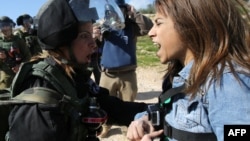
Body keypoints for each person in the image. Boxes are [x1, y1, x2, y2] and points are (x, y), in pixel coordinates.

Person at [5, 0, 148, 141]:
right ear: (62, 43)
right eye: (84, 36)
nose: (93, 44)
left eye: (91, 35)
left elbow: (108, 104)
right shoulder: (40, 100)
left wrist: (152, 112)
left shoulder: (72, 75)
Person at [126, 0, 250, 141]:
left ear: (190, 24)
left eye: (159, 23)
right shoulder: (182, 74)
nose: (151, 32)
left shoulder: (226, 83)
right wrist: (146, 120)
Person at [98, 0, 153, 137]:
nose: (116, 13)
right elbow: (92, 41)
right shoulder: (104, 28)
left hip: (128, 74)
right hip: (107, 75)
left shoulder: (131, 27)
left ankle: (126, 127)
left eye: (119, 9)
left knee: (127, 104)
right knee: (105, 103)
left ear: (125, 10)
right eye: (112, 10)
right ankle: (106, 126)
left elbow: (147, 28)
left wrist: (135, 14)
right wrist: (95, 33)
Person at [0, 16, 31, 89]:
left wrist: (20, 66)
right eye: (2, 26)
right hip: (6, 76)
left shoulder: (18, 40)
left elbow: (28, 56)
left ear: (11, 26)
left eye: (7, 26)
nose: (5, 29)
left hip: (20, 74)